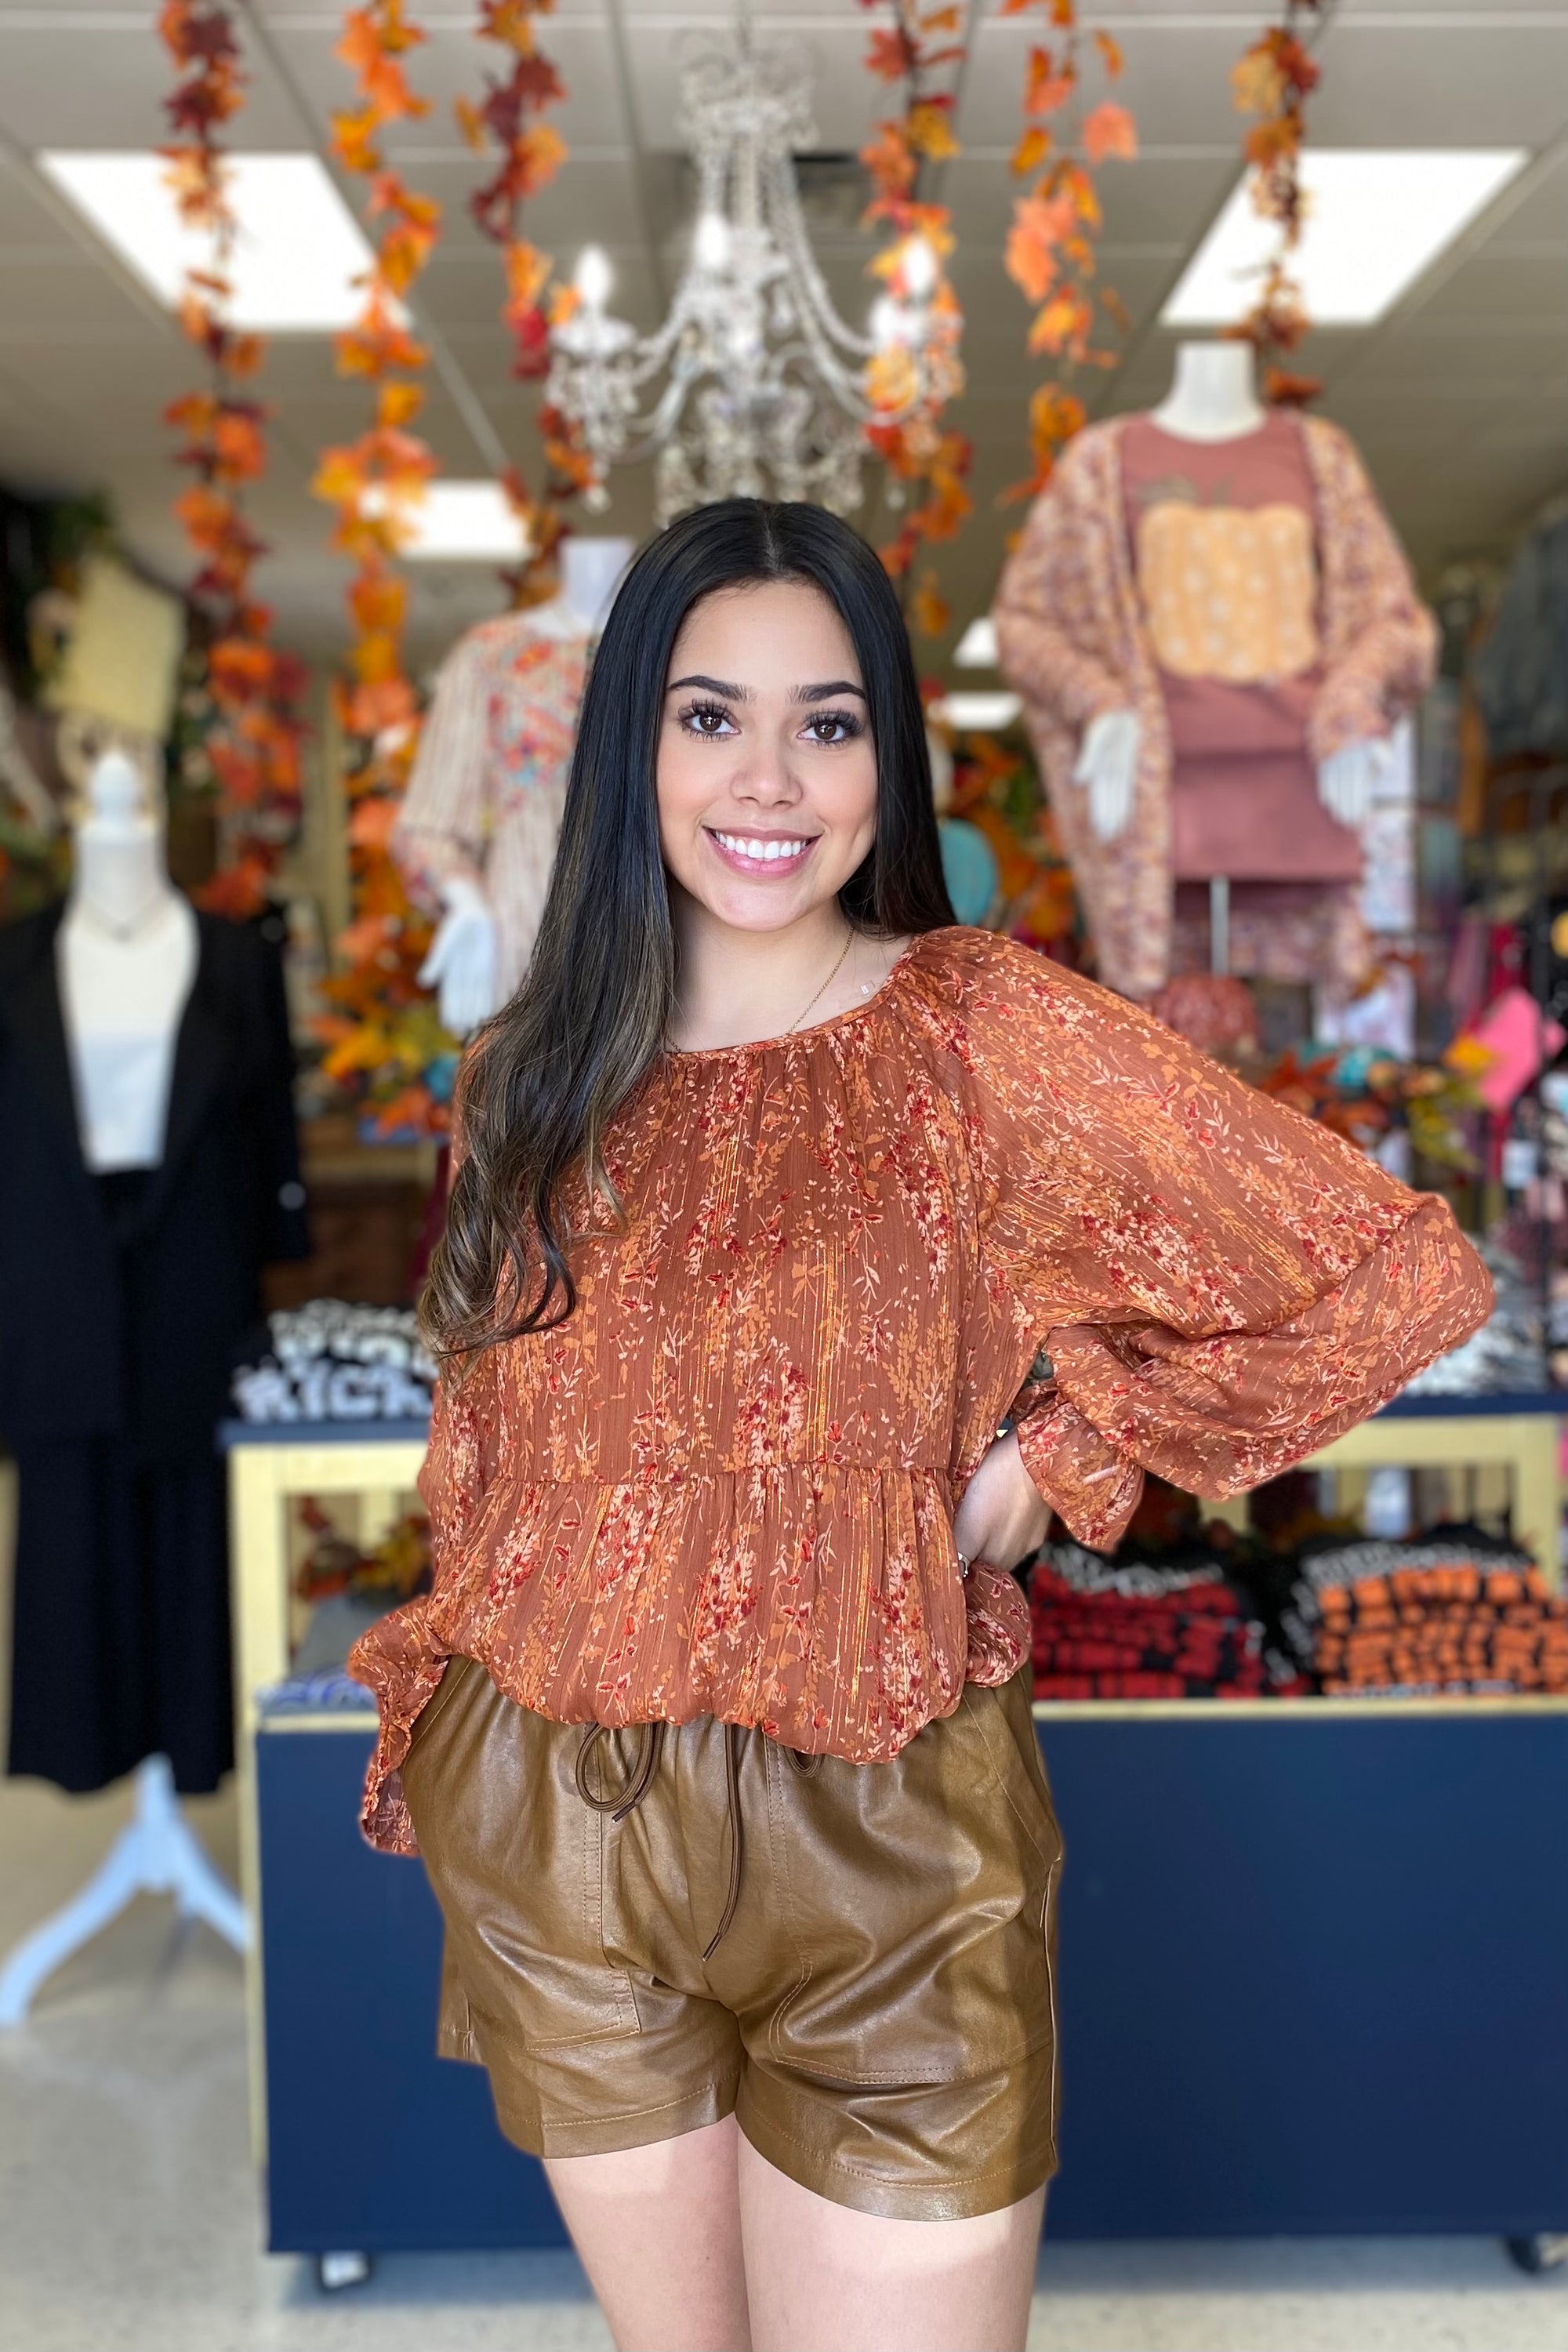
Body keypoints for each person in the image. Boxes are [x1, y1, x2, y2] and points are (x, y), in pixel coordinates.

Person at [350, 499, 1490, 2352]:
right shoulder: (527, 1075)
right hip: (564, 1819)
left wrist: (1065, 1454)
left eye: (830, 719)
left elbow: (1383, 1274)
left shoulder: (979, 1032)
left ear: (890, 748)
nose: (771, 777)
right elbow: (483, 1453)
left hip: (885, 1828)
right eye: (710, 716)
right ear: (629, 739)